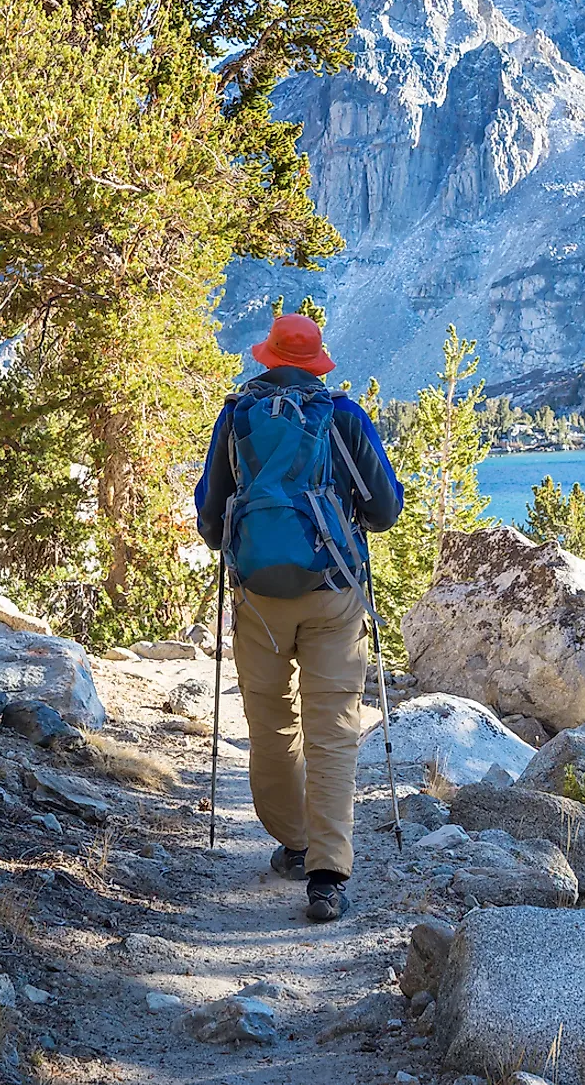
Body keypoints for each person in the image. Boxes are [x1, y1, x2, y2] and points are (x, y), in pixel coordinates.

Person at [194, 312, 403, 922]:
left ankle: (293, 838)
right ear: (317, 363)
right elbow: (385, 510)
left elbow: (211, 521)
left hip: (257, 595)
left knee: (270, 723)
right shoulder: (342, 417)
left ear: (267, 359)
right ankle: (328, 875)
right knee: (333, 729)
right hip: (333, 590)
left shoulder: (237, 418)